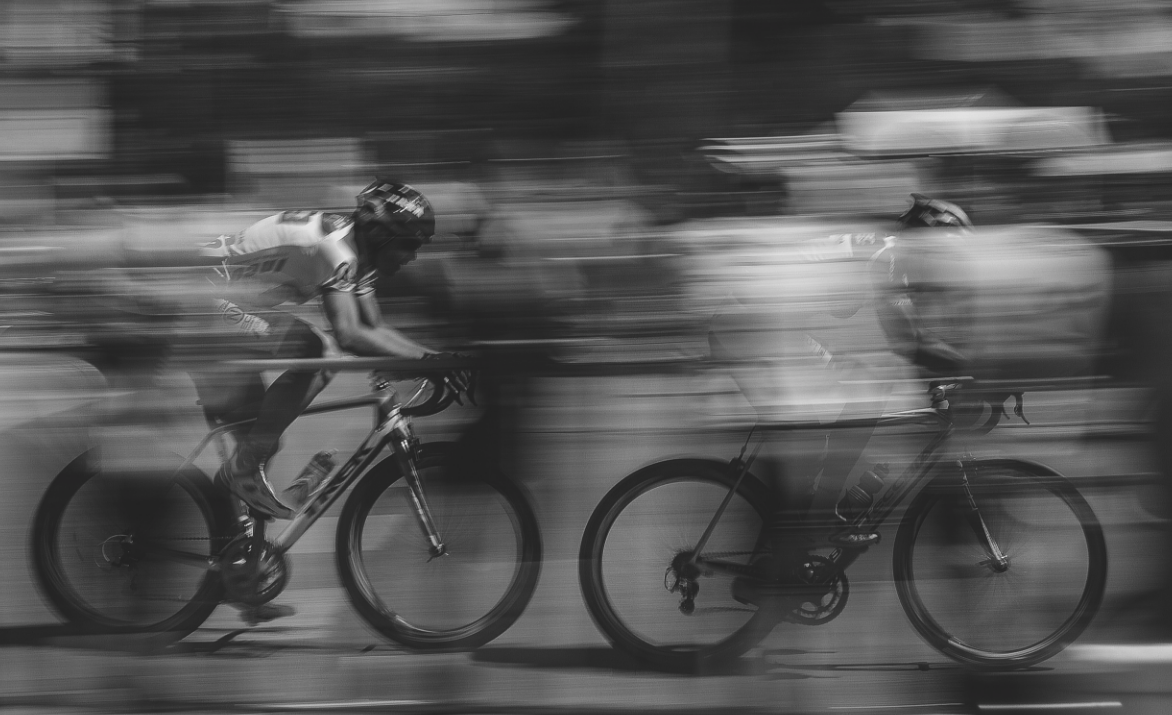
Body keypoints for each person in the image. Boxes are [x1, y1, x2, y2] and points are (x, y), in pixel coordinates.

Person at [192, 179, 469, 520]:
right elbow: (350, 334)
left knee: (262, 438)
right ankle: (242, 475)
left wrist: (433, 358)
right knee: (321, 352)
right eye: (409, 244)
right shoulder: (336, 250)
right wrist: (428, 363)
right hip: (200, 303)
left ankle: (235, 555)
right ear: (381, 236)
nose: (412, 256)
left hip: (217, 303)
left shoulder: (355, 253)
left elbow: (375, 328)